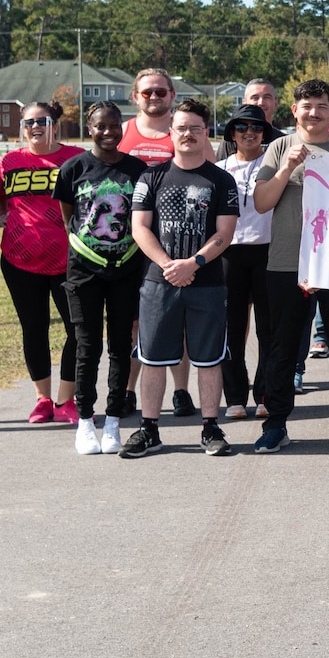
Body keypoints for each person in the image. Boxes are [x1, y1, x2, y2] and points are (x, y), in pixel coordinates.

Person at [251, 80, 329, 453]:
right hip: (287, 263)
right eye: (307, 106)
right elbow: (261, 203)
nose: (314, 112)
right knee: (282, 349)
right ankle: (276, 425)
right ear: (294, 110)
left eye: (322, 106)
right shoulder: (278, 147)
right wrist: (286, 168)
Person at [121, 99, 239, 459]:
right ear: (171, 133)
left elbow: (225, 232)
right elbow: (139, 228)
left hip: (206, 283)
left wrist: (194, 262)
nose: (188, 134)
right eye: (182, 128)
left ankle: (210, 427)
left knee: (207, 359)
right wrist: (169, 265)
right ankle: (149, 428)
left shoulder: (221, 180)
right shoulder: (150, 177)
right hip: (159, 282)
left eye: (195, 129)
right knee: (153, 358)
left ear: (207, 133)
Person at [56, 100, 149, 455]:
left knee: (120, 347)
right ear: (89, 127)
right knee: (87, 346)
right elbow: (69, 217)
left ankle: (113, 421)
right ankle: (84, 421)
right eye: (100, 126)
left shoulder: (138, 170)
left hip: (126, 270)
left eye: (114, 125)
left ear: (122, 127)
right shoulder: (73, 168)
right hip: (83, 273)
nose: (108, 132)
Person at [0, 100, 84, 424]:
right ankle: (42, 399)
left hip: (69, 261)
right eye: (29, 122)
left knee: (77, 330)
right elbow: (0, 199)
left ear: (55, 125)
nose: (35, 127)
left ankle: (66, 400)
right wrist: (2, 214)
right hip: (20, 261)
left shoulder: (74, 159)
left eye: (42, 121)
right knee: (34, 329)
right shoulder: (9, 161)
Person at [117, 68, 195, 416]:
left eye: (160, 92)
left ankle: (181, 391)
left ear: (172, 95)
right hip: (132, 243)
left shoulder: (185, 132)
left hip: (179, 243)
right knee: (136, 324)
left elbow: (205, 179)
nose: (154, 97)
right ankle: (130, 390)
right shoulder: (123, 134)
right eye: (147, 92)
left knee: (177, 321)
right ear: (135, 96)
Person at [218, 103, 276, 419]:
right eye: (242, 127)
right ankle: (235, 397)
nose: (249, 133)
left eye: (256, 127)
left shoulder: (273, 164)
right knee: (232, 327)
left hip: (267, 251)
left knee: (268, 327)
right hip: (230, 253)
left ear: (264, 133)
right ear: (232, 134)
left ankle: (265, 394)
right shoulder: (221, 168)